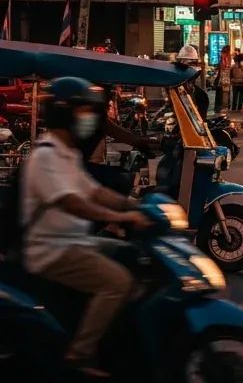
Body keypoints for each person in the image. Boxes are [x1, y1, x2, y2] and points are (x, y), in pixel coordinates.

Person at [21, 77, 150, 377]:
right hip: (53, 250)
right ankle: (79, 357)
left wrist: (135, 205)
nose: (89, 118)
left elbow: (94, 191)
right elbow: (72, 203)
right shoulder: (46, 156)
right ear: (65, 114)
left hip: (75, 241)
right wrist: (120, 218)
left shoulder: (66, 154)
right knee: (117, 283)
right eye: (83, 112)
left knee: (133, 257)